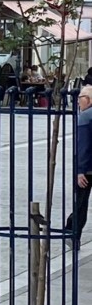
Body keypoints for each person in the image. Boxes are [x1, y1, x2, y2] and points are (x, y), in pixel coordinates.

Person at [66, 86, 92, 246]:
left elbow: (83, 146)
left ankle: (73, 233)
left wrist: (80, 170)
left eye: (80, 98)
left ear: (88, 100)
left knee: (81, 203)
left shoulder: (85, 117)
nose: (77, 101)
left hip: (87, 169)